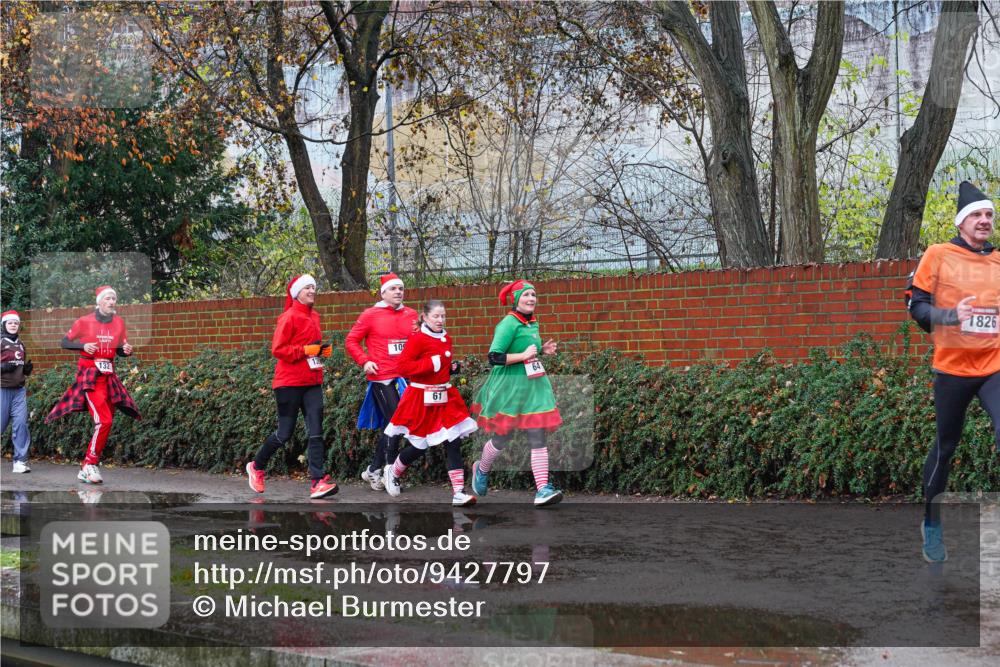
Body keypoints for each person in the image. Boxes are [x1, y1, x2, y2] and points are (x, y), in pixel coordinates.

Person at [908, 180, 1000, 562]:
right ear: (962, 222)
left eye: (989, 214)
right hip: (952, 368)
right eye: (977, 214)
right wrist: (951, 315)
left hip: (995, 364)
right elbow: (917, 307)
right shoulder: (938, 255)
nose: (984, 221)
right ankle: (931, 523)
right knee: (946, 448)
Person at [470, 280, 564, 507]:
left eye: (533, 295)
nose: (531, 299)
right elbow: (494, 357)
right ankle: (481, 469)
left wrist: (542, 349)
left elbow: (528, 349)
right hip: (510, 388)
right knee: (503, 437)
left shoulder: (532, 323)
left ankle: (542, 490)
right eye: (526, 296)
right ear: (515, 299)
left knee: (537, 435)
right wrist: (523, 356)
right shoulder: (508, 324)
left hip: (533, 387)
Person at [246, 274, 338, 499]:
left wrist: (320, 350)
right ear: (297, 292)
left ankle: (317, 481)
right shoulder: (288, 317)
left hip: (312, 382)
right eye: (308, 287)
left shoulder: (314, 316)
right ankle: (257, 466)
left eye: (314, 287)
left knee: (316, 431)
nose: (312, 291)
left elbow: (310, 346)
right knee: (284, 433)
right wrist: (306, 351)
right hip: (288, 383)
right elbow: (278, 349)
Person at [382, 300, 478, 506]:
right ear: (424, 317)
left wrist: (450, 369)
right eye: (436, 316)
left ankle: (459, 492)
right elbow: (403, 367)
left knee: (453, 440)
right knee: (420, 445)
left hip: (443, 396)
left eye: (443, 316)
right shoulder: (417, 339)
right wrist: (431, 364)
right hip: (420, 398)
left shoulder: (446, 338)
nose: (440, 320)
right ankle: (394, 470)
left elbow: (440, 368)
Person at [46, 286, 141, 484]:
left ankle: (87, 466)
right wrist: (83, 346)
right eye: (108, 298)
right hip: (90, 376)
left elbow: (120, 349)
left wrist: (126, 350)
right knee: (104, 421)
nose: (112, 302)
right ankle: (90, 464)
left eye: (114, 298)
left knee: (107, 422)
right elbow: (64, 342)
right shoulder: (84, 321)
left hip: (109, 376)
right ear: (99, 301)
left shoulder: (119, 322)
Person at [345, 273, 418, 490]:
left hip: (405, 377)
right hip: (382, 377)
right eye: (393, 289)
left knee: (391, 425)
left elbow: (419, 341)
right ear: (383, 292)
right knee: (397, 421)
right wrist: (365, 361)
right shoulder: (370, 315)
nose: (398, 292)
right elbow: (351, 341)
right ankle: (388, 471)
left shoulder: (411, 314)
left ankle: (373, 470)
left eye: (401, 289)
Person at [1, 311, 33, 473]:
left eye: (16, 323)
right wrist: (2, 368)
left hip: (19, 391)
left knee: (21, 424)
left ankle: (20, 461)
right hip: (2, 390)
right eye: (10, 323)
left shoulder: (21, 345)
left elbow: (20, 368)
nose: (13, 325)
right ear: (4, 325)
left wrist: (26, 371)